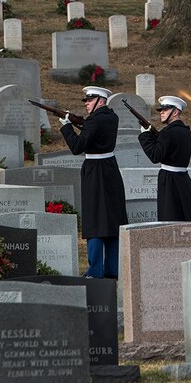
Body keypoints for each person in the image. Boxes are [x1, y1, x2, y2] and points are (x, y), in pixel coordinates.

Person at [60, 86, 128, 278]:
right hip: (110, 169)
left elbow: (77, 147)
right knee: (112, 219)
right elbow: (95, 133)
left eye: (90, 100)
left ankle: (95, 270)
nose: (87, 104)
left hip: (94, 172)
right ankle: (113, 269)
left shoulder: (94, 121)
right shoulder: (112, 117)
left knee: (95, 220)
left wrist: (66, 126)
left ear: (100, 100)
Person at [139, 95, 191, 221]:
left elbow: (155, 156)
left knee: (169, 221)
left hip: (170, 181)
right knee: (184, 219)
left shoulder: (167, 132)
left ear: (175, 112)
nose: (161, 113)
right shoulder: (187, 132)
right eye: (161, 110)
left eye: (165, 110)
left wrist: (145, 135)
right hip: (184, 180)